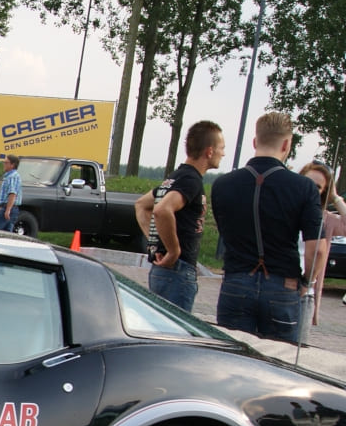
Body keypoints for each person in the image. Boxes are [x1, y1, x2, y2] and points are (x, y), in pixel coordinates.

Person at [209, 112, 322, 342]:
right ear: (287, 144)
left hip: (236, 279)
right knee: (278, 364)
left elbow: (225, 232)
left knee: (234, 360)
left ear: (254, 142)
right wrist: (306, 281)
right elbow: (317, 248)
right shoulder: (304, 188)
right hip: (283, 284)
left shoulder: (222, 185)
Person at [133, 119, 223, 313]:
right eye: (221, 148)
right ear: (209, 151)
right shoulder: (190, 180)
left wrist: (156, 243)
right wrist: (173, 251)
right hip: (177, 273)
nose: (223, 153)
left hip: (165, 271)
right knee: (174, 333)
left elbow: (142, 205)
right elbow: (162, 210)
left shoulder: (176, 177)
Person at [300, 160, 346, 324]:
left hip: (306, 290)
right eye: (308, 183)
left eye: (319, 187)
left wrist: (335, 197)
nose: (312, 189)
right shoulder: (285, 209)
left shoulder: (325, 218)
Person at [0, 155, 21, 231]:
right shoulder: (9, 176)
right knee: (6, 234)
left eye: (6, 162)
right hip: (8, 208)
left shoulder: (12, 177)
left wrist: (7, 210)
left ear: (12, 165)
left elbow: (12, 194)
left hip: (8, 209)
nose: (4, 164)